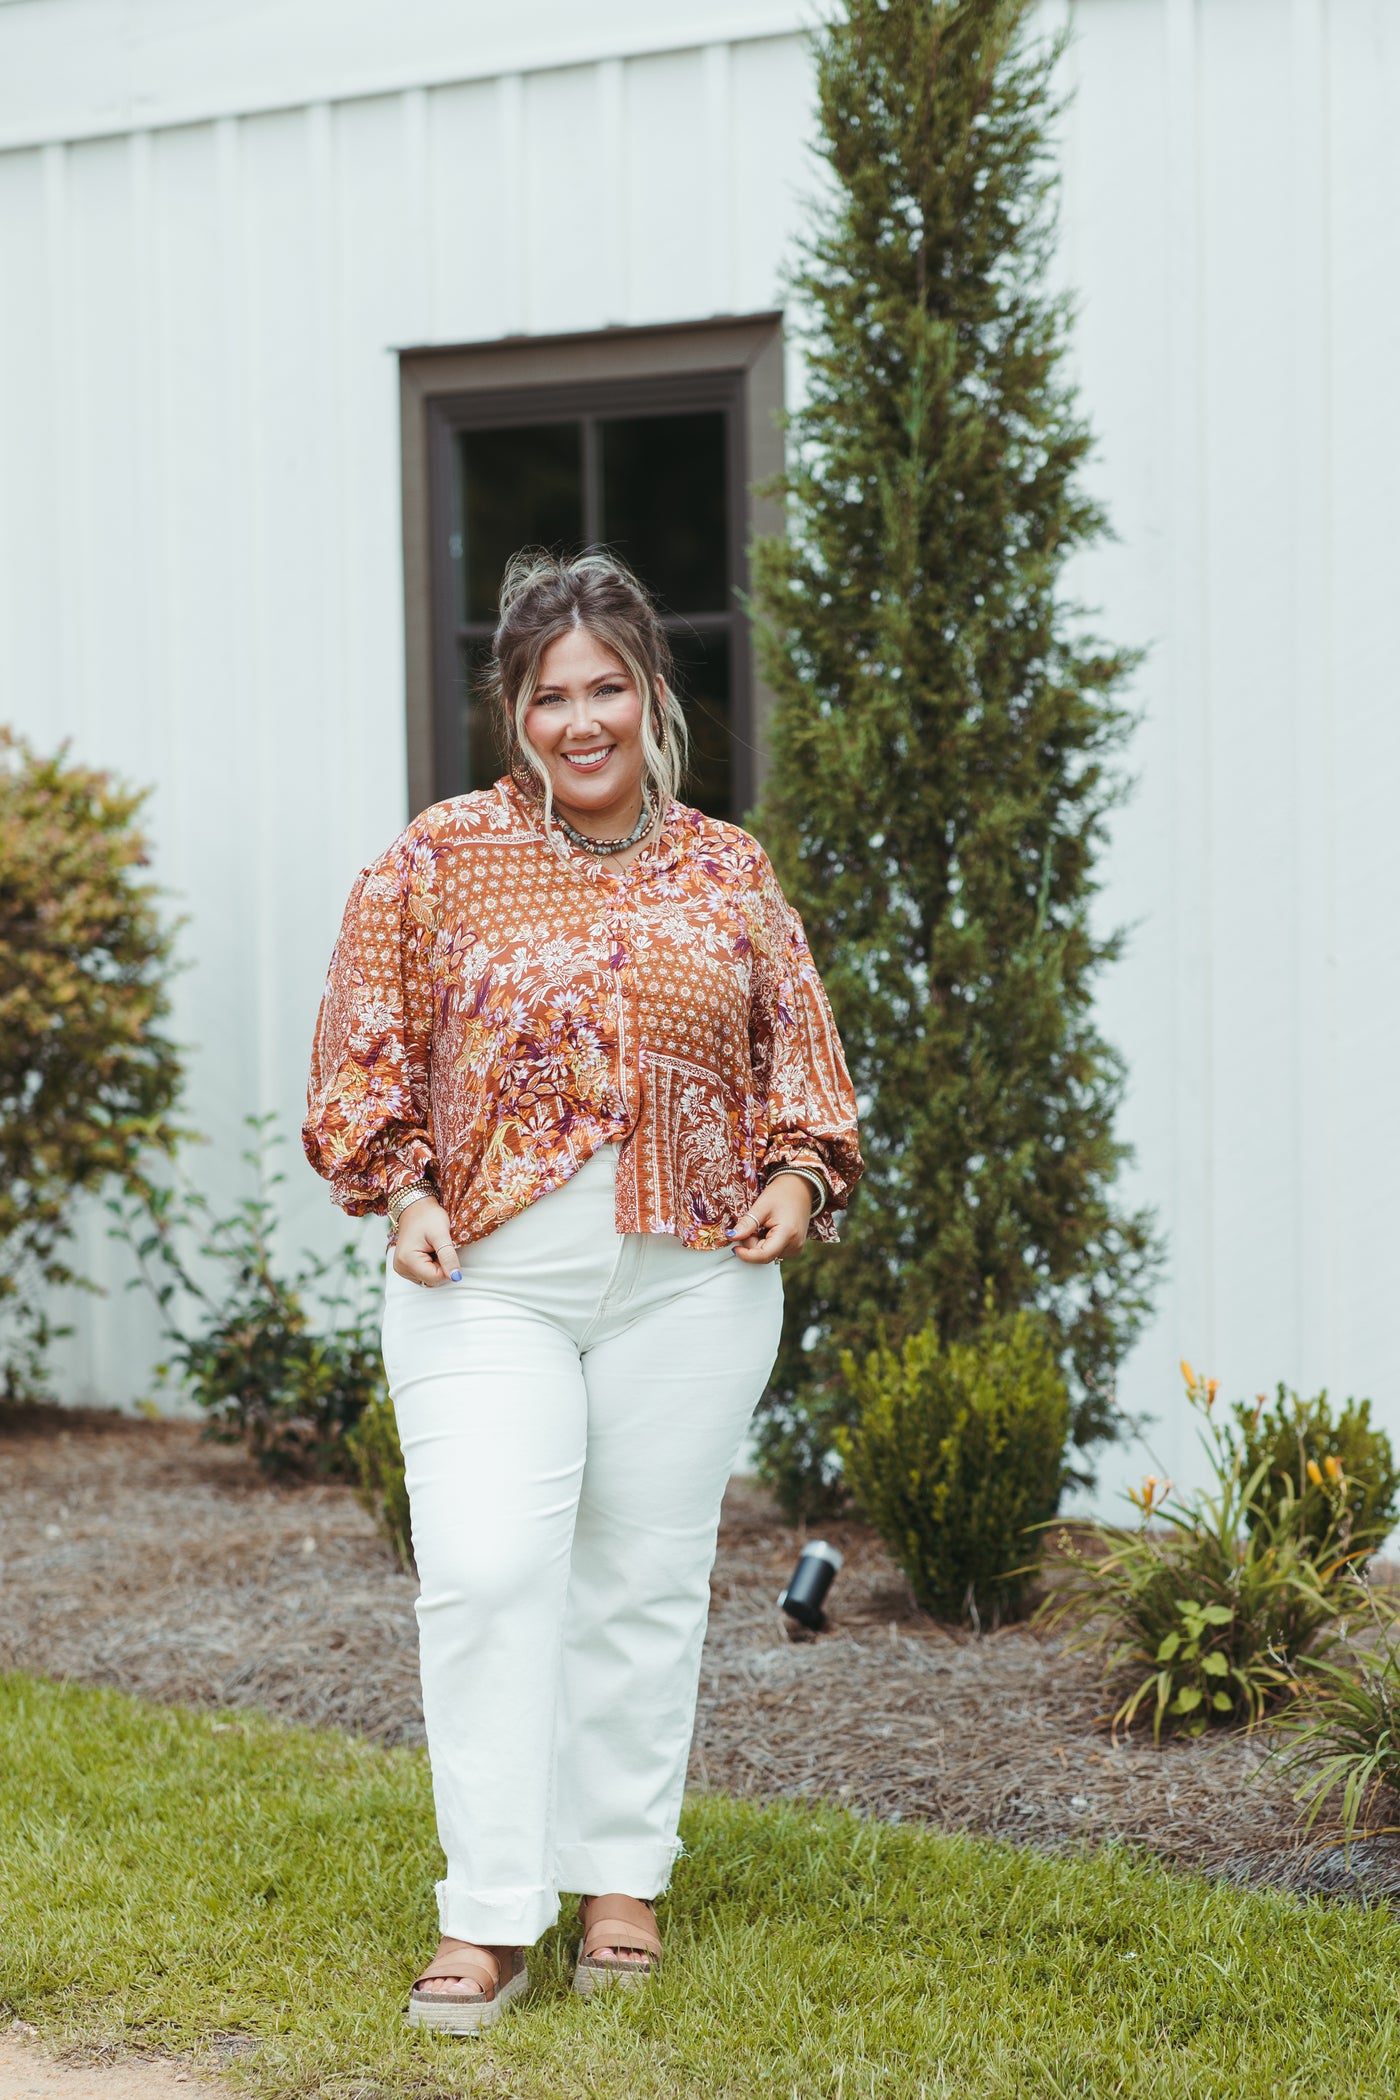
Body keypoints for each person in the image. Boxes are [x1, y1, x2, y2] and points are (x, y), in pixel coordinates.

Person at [303, 549, 861, 2034]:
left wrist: (797, 1186)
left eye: (607, 685)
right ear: (515, 711)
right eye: (550, 695)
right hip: (486, 1285)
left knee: (644, 1581)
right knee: (488, 1573)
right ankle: (489, 1914)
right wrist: (406, 1190)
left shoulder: (728, 871)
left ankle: (622, 1872)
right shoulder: (436, 863)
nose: (582, 718)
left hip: (692, 1290)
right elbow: (359, 1056)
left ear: (653, 693)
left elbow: (805, 1071)